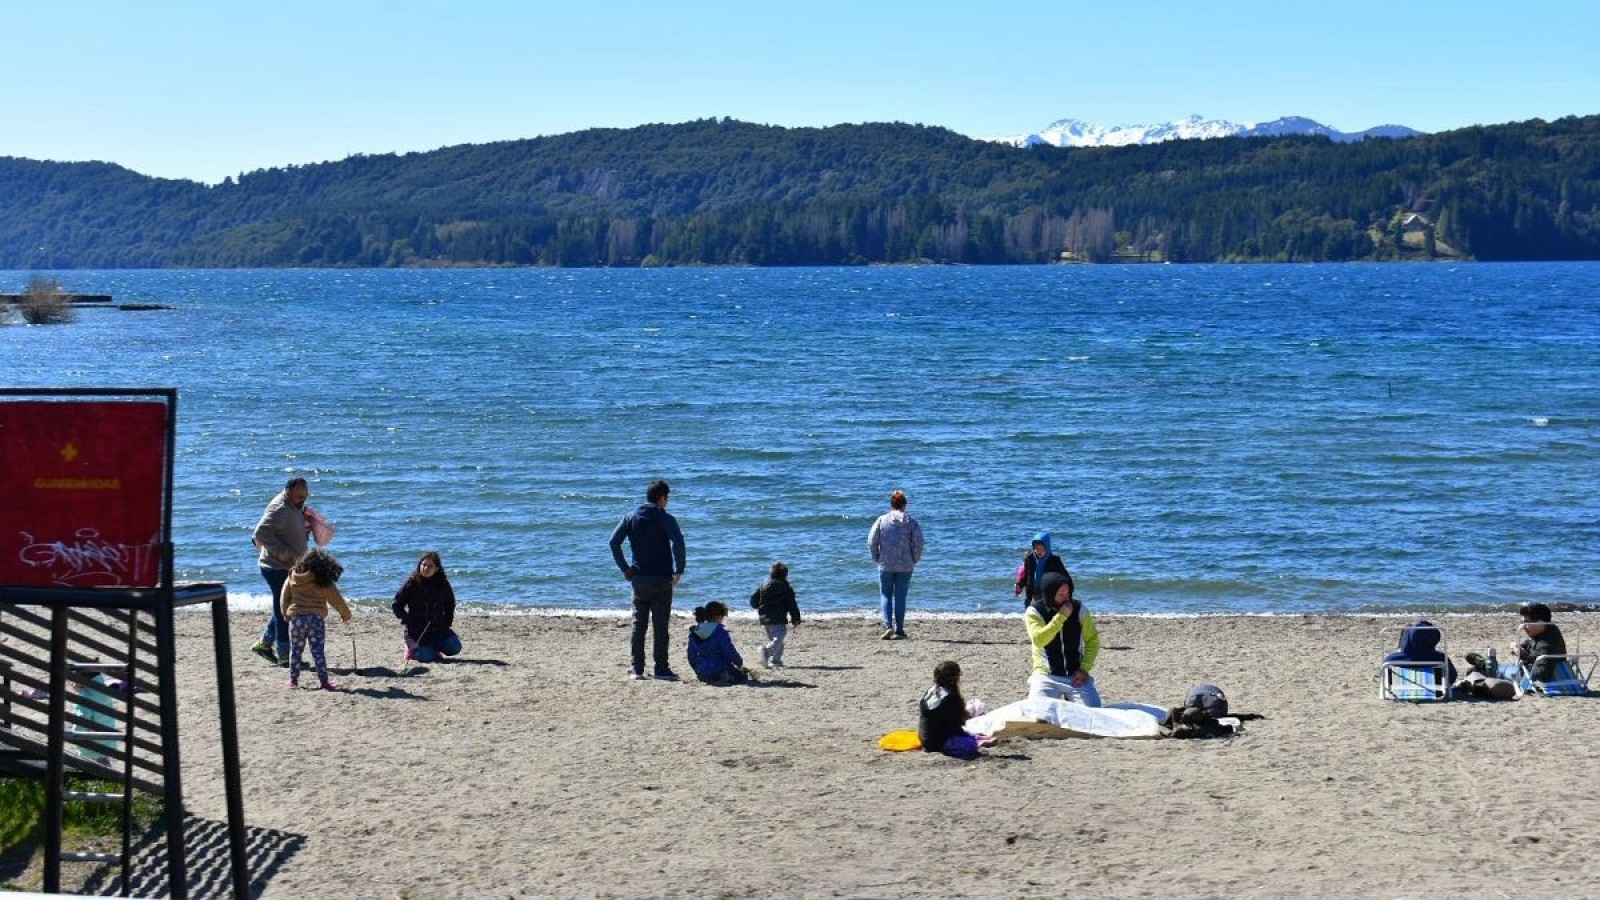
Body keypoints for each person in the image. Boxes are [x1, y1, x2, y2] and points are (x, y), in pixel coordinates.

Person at [609, 479, 687, 680]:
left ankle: (637, 669)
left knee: (639, 625)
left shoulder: (631, 517)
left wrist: (625, 568)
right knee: (660, 626)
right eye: (667, 498)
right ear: (662, 498)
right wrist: (679, 571)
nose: (667, 502)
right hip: (662, 579)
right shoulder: (665, 518)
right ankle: (661, 669)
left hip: (639, 578)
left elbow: (613, 543)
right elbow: (678, 542)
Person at [251, 477, 313, 665]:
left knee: (284, 607)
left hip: (288, 565)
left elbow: (285, 527)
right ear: (288, 492)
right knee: (284, 609)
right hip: (275, 567)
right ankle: (286, 655)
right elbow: (259, 534)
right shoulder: (280, 508)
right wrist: (285, 554)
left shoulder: (292, 506)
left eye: (305, 496)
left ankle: (264, 643)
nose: (302, 500)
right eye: (299, 496)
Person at [1025, 571, 1102, 706]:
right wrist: (1061, 617)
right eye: (1061, 594)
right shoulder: (1034, 612)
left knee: (1094, 710)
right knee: (1038, 713)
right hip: (1046, 675)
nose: (1066, 598)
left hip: (1075, 675)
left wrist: (1084, 669)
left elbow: (1093, 641)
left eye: (1068, 592)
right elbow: (1038, 640)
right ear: (1050, 593)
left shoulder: (1079, 609)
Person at [280, 548, 353, 691]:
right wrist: (345, 614)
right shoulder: (323, 580)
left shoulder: (293, 577)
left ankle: (293, 680)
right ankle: (324, 682)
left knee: (295, 651)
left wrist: (285, 613)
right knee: (318, 651)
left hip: (297, 619)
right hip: (316, 620)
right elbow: (336, 599)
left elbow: (284, 597)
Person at [867, 489, 923, 640]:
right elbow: (918, 544)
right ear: (905, 504)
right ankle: (899, 629)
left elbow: (872, 541)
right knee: (900, 596)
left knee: (885, 594)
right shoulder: (911, 522)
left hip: (886, 563)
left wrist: (876, 557)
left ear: (891, 504)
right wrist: (914, 559)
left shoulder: (881, 520)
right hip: (905, 565)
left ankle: (888, 626)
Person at [391, 551, 462, 663]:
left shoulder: (442, 584)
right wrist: (407, 619)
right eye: (424, 565)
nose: (426, 568)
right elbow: (396, 605)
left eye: (430, 566)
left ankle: (433, 648)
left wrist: (447, 622)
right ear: (419, 566)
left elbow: (450, 604)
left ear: (436, 569)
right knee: (426, 657)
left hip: (438, 628)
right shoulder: (411, 583)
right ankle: (411, 649)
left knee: (455, 647)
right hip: (417, 631)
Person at [918, 660, 984, 759]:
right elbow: (953, 727)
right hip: (939, 743)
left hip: (925, 739)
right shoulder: (951, 698)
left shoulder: (930, 691)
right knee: (972, 745)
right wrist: (970, 737)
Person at [686, 602, 755, 685]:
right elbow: (729, 651)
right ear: (719, 616)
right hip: (719, 667)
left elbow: (691, 655)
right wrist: (739, 662)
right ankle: (724, 676)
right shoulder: (720, 632)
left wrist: (697, 669)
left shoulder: (696, 631)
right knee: (742, 676)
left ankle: (709, 677)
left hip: (701, 669)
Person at [749, 561, 802, 668]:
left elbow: (753, 600)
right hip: (778, 619)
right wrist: (796, 618)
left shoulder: (763, 585)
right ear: (785, 575)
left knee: (777, 641)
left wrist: (757, 606)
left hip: (764, 619)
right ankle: (766, 653)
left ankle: (776, 661)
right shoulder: (786, 588)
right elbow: (792, 605)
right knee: (778, 638)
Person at [1511, 602, 1568, 683]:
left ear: (1541, 622)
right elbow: (1531, 643)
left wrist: (1523, 657)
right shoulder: (1549, 629)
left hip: (1549, 680)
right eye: (1523, 623)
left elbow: (1542, 676)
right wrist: (1520, 647)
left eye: (1527, 623)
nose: (1524, 627)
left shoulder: (1547, 644)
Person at [1013, 530, 1069, 605]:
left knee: (1047, 612)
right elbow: (1026, 575)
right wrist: (1019, 585)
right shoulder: (1030, 559)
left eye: (1042, 549)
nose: (1039, 551)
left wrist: (1066, 589)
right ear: (1033, 548)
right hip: (1033, 592)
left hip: (1049, 592)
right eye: (1037, 549)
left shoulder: (1054, 560)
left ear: (1047, 548)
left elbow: (1065, 576)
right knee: (1031, 612)